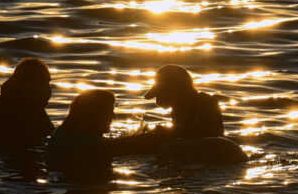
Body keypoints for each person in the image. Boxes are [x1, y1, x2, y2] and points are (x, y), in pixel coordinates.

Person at [118, 65, 248, 166]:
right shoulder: (181, 105)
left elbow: (202, 132)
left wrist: (166, 133)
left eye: (160, 93)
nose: (157, 100)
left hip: (212, 155)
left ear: (174, 89)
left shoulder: (204, 102)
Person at [0, 58, 53, 150]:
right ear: (28, 86)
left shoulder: (32, 107)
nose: (49, 89)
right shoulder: (17, 111)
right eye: (43, 83)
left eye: (48, 83)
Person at [44, 88, 118, 180]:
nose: (113, 116)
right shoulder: (84, 143)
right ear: (93, 114)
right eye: (109, 111)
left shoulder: (64, 132)